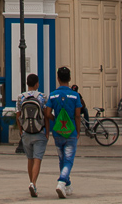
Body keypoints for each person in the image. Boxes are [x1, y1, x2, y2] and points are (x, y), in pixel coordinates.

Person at [45, 66, 81, 199]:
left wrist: (56, 120)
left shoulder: (53, 94)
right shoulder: (75, 95)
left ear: (58, 78)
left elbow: (47, 113)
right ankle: (61, 182)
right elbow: (77, 115)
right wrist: (78, 130)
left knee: (62, 159)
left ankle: (68, 184)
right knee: (69, 160)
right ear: (70, 78)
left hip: (58, 131)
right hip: (70, 131)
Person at [16, 73, 49, 198]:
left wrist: (21, 130)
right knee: (37, 158)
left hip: (26, 132)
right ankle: (33, 183)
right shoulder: (42, 97)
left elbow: (18, 115)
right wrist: (47, 131)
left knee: (30, 159)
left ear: (27, 84)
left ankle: (32, 183)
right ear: (37, 84)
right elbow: (46, 115)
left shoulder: (21, 97)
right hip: (39, 131)